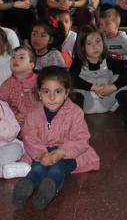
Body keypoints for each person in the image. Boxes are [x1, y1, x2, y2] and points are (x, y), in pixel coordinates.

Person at [12, 66, 100, 210]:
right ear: (39, 94)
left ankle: (49, 190)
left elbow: (81, 139)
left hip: (69, 153)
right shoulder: (33, 113)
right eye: (46, 92)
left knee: (57, 168)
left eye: (58, 92)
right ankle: (26, 185)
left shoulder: (75, 112)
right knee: (38, 168)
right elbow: (29, 136)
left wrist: (61, 152)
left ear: (66, 93)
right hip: (41, 152)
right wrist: (41, 154)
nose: (52, 98)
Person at [70, 26, 127, 122]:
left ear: (103, 42)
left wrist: (112, 87)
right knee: (75, 89)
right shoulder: (78, 61)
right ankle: (75, 119)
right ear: (82, 47)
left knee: (120, 81)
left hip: (107, 99)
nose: (95, 47)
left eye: (98, 41)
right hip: (86, 103)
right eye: (89, 43)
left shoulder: (108, 59)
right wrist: (93, 87)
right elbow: (71, 78)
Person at [0, 45, 37, 128]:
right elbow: (0, 105)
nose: (16, 60)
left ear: (31, 65)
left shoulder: (40, 82)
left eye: (21, 57)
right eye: (13, 57)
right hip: (16, 126)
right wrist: (13, 115)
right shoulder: (6, 84)